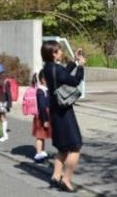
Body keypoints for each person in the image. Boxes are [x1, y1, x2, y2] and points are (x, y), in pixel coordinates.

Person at [42, 40, 85, 193]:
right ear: (53, 53)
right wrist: (80, 66)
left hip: (54, 109)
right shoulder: (56, 68)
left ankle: (55, 176)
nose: (61, 52)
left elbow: (63, 74)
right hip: (64, 112)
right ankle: (66, 180)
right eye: (59, 50)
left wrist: (74, 61)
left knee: (62, 147)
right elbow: (73, 80)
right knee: (75, 146)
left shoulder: (47, 67)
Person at [33, 69, 51, 163]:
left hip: (44, 115)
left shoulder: (45, 90)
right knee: (40, 136)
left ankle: (42, 152)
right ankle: (39, 153)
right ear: (43, 79)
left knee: (43, 135)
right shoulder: (41, 91)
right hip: (41, 116)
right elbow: (42, 106)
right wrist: (45, 120)